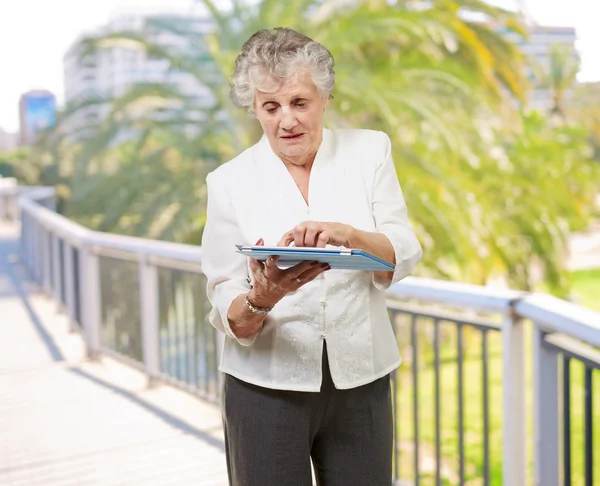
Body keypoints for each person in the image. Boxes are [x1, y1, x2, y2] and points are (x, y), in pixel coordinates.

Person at [201, 27, 422, 486]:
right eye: (270, 106)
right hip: (264, 390)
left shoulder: (370, 151)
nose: (286, 120)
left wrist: (351, 236)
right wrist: (263, 297)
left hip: (362, 381)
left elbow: (403, 248)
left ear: (324, 98)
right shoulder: (228, 182)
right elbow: (230, 308)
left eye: (299, 102)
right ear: (255, 109)